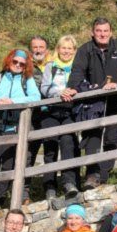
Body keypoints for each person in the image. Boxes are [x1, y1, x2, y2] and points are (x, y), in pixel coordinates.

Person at [63, 18, 117, 189]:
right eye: (99, 31)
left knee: (111, 138)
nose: (102, 34)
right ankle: (92, 175)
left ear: (111, 32)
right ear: (93, 32)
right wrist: (72, 87)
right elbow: (78, 71)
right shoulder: (85, 50)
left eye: (105, 31)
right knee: (92, 138)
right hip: (92, 102)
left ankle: (103, 174)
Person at [0, 49, 42, 212]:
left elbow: (35, 98)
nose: (17, 65)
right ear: (9, 61)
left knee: (8, 165)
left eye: (22, 64)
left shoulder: (27, 80)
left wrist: (13, 101)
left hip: (15, 127)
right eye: (15, 62)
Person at [40, 35, 80, 199]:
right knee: (50, 147)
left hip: (70, 110)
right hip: (51, 109)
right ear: (58, 49)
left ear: (74, 50)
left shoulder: (78, 66)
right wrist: (59, 93)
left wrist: (74, 91)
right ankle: (49, 187)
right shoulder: (51, 66)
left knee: (68, 143)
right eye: (63, 48)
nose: (66, 51)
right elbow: (44, 87)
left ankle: (68, 183)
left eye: (69, 48)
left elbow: (81, 84)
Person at [26, 36, 51, 182]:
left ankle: (49, 187)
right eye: (35, 47)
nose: (38, 50)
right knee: (28, 152)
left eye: (41, 47)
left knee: (50, 150)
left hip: (49, 114)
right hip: (32, 115)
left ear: (46, 50)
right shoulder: (25, 66)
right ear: (30, 50)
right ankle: (24, 191)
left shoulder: (54, 64)